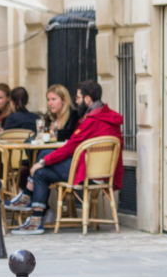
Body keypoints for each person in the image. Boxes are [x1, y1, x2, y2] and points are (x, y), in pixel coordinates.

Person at [8, 80, 122, 234]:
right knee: (41, 174)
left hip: (87, 172)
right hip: (104, 171)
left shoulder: (91, 120)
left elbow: (70, 147)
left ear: (87, 99)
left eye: (78, 98)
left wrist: (42, 162)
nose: (76, 101)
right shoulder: (109, 117)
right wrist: (41, 166)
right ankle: (35, 220)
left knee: (43, 155)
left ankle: (26, 196)